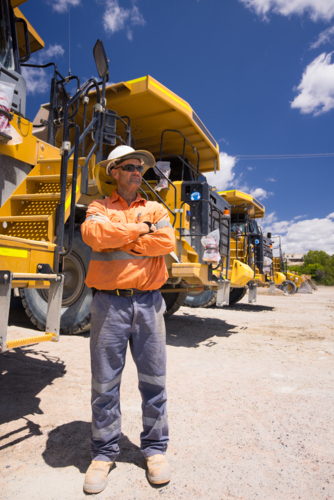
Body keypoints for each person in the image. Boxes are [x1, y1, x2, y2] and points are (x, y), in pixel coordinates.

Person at [81, 145, 175, 494]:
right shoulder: (97, 207)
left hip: (150, 303)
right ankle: (103, 454)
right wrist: (140, 232)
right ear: (114, 172)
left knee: (154, 382)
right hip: (109, 305)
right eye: (130, 166)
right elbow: (94, 236)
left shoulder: (154, 208)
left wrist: (125, 235)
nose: (138, 171)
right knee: (104, 384)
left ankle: (154, 450)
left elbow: (166, 241)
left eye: (141, 167)